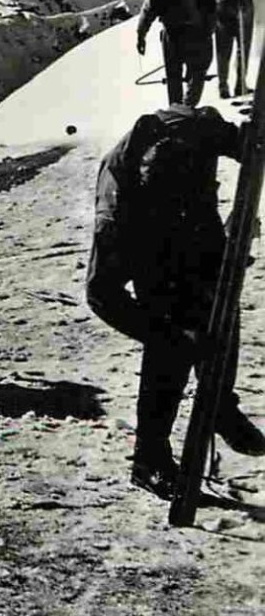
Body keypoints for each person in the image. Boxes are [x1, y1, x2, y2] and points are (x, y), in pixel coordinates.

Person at [85, 103, 265, 500]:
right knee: (170, 339)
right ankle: (150, 460)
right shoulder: (117, 213)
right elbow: (101, 294)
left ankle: (220, 403)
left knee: (220, 297)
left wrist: (253, 152)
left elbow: (246, 142)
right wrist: (169, 335)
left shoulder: (196, 131)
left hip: (198, 227)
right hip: (151, 247)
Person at [136, 0, 217, 107]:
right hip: (197, 34)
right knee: (197, 73)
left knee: (173, 77)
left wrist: (141, 34)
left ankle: (176, 114)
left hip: (171, 35)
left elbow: (148, 10)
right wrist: (208, 33)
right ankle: (189, 108)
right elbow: (211, 7)